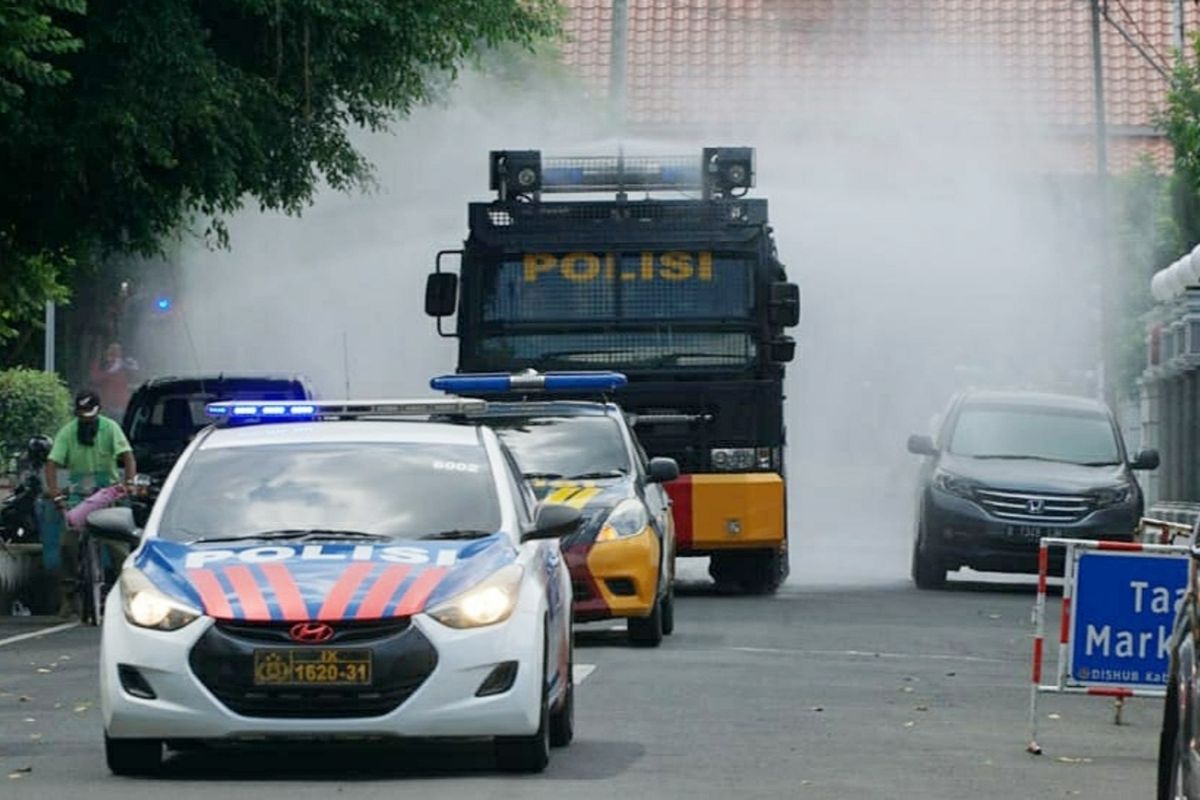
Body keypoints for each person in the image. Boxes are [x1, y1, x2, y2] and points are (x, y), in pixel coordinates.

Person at [39, 390, 137, 617]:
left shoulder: (111, 428)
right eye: (82, 416)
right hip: (78, 496)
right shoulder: (68, 432)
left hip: (108, 494)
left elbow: (128, 457)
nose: (86, 420)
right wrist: (55, 493)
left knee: (118, 547)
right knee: (67, 544)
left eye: (90, 416)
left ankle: (128, 595)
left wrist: (129, 483)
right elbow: (52, 463)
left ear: (98, 412)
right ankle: (69, 595)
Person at [89, 342, 139, 421]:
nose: (114, 354)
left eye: (117, 351)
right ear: (106, 352)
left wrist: (133, 367)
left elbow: (135, 379)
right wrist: (110, 372)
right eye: (111, 350)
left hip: (121, 405)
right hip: (105, 404)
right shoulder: (101, 364)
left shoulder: (125, 365)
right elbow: (95, 379)